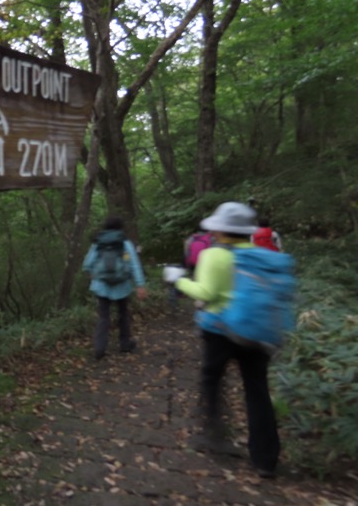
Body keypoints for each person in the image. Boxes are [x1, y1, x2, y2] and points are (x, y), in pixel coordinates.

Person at [169, 202, 280, 478]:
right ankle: (265, 459)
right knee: (257, 391)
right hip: (255, 330)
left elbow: (205, 293)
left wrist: (177, 279)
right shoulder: (259, 255)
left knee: (211, 379)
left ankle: (215, 434)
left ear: (221, 229)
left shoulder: (213, 255)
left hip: (220, 330)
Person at [82, 216, 147, 360]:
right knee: (123, 314)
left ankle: (99, 348)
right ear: (120, 227)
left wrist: (93, 273)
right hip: (122, 285)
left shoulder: (98, 242)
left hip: (101, 285)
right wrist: (140, 285)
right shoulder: (125, 243)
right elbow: (134, 264)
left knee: (103, 317)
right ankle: (124, 344)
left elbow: (87, 263)